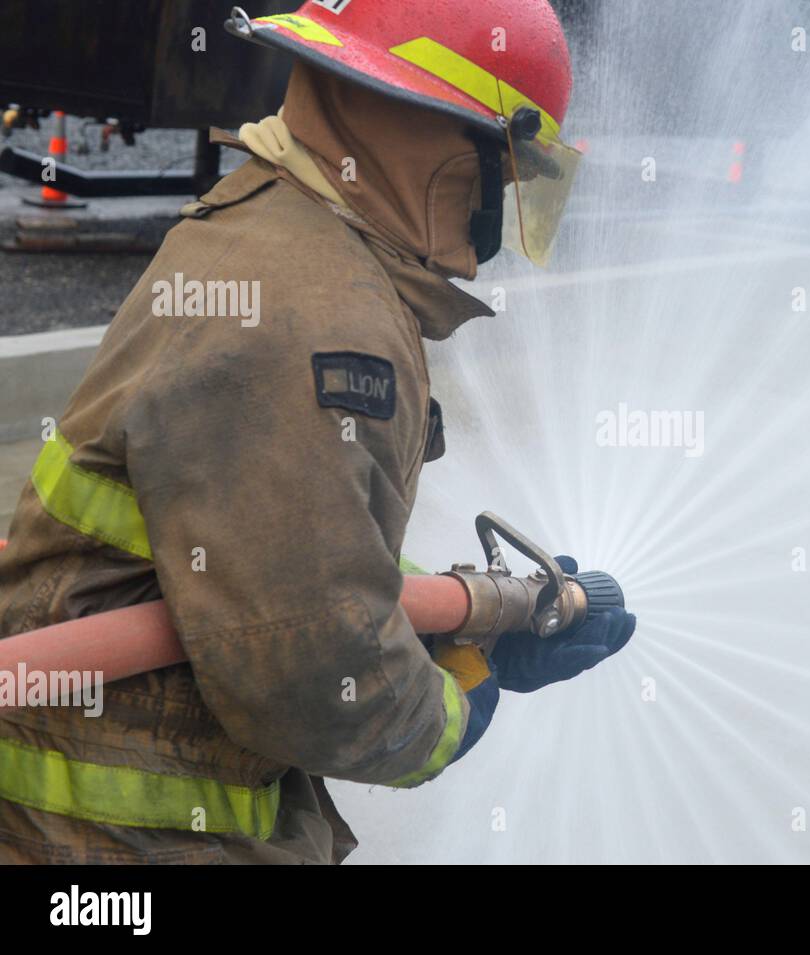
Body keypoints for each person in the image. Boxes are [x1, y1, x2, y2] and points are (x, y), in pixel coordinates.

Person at [0, 0, 634, 864]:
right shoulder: (324, 322)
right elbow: (311, 666)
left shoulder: (270, 222)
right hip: (122, 838)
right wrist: (458, 707)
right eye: (511, 170)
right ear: (449, 151)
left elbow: (292, 544)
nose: (502, 213)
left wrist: (466, 624)